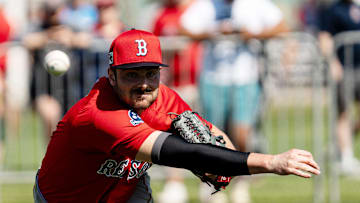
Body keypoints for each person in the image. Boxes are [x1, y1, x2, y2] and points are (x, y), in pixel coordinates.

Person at [33, 29, 320, 203]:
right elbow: (180, 153)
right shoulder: (99, 113)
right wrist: (271, 162)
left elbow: (214, 136)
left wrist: (225, 161)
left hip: (126, 191)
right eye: (131, 74)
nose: (143, 83)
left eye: (150, 73)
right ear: (111, 75)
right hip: (65, 198)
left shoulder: (163, 97)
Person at [179, 0, 288, 202]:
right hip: (213, 78)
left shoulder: (256, 4)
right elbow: (183, 28)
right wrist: (211, 34)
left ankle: (240, 183)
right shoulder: (206, 5)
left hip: (245, 78)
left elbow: (282, 26)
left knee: (242, 133)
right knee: (211, 135)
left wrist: (252, 35)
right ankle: (212, 185)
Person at [318, 0, 360, 175]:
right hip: (345, 69)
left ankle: (339, 144)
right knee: (343, 112)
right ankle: (346, 157)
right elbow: (325, 38)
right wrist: (332, 63)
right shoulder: (334, 9)